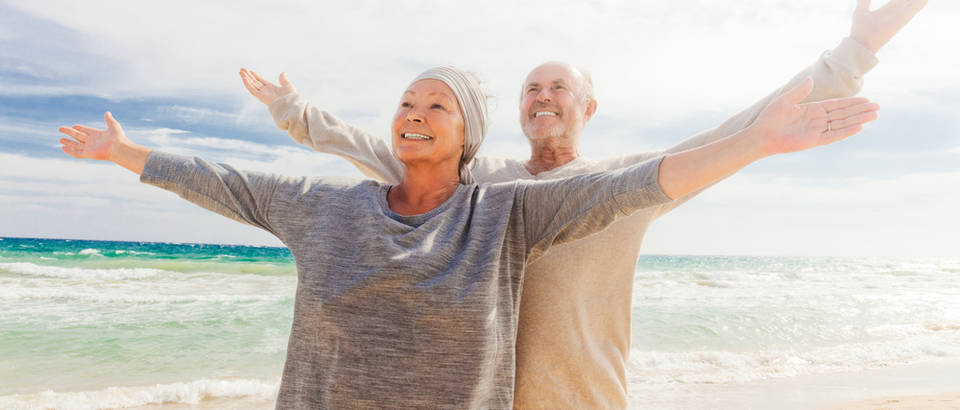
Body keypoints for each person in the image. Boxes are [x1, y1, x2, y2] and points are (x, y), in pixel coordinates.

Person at [59, 64, 877, 408]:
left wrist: (755, 142)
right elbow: (229, 182)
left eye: (437, 105)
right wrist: (124, 152)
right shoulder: (325, 206)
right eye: (407, 102)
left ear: (469, 134)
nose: (415, 114)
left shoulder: (508, 213)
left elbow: (637, 184)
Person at [238, 1, 924, 407]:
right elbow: (386, 149)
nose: (542, 96)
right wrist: (296, 113)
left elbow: (745, 128)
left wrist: (857, 49)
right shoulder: (481, 182)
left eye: (558, 87)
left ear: (588, 107)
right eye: (532, 89)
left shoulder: (628, 185)